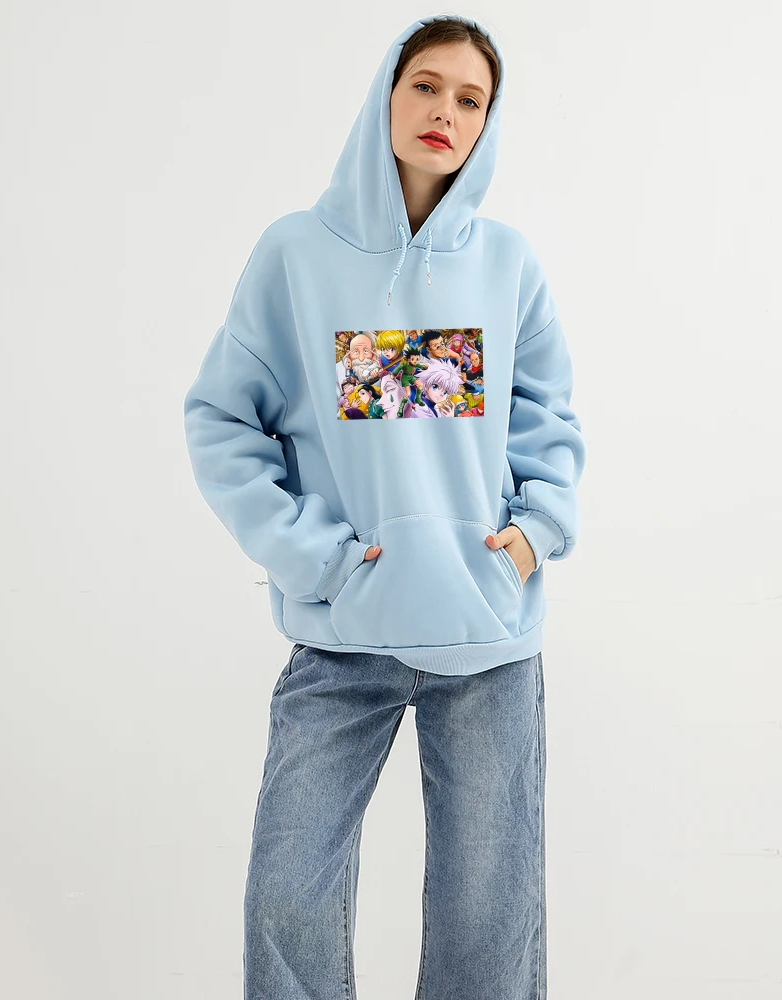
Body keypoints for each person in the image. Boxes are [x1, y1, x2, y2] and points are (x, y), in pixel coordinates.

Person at [183, 13, 586, 998]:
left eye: (470, 99)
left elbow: (549, 421)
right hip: (341, 635)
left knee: (488, 920)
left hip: (486, 639)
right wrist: (313, 557)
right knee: (287, 899)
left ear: (487, 123)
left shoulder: (507, 264)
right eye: (426, 86)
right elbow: (221, 419)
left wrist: (531, 537)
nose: (445, 110)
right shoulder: (295, 255)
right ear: (386, 94)